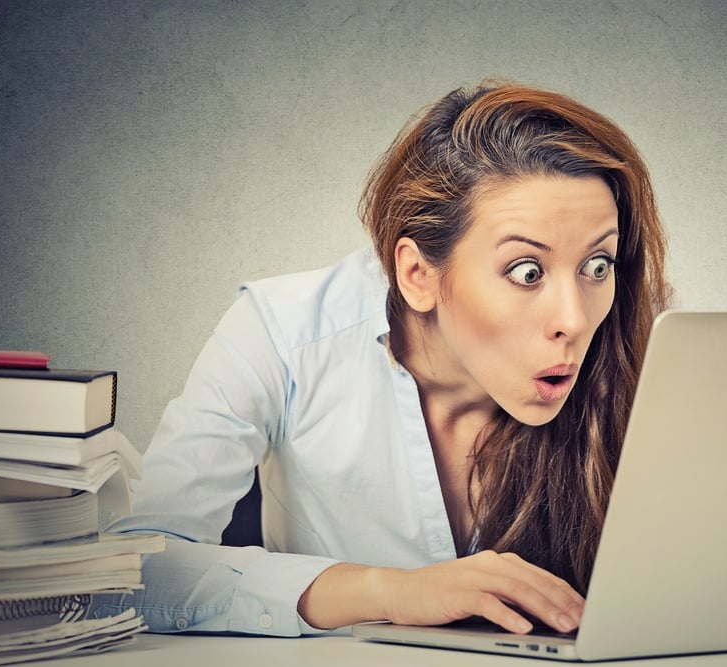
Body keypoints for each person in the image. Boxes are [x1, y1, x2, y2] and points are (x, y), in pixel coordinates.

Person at [104, 79, 671, 637]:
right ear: (418, 274)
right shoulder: (283, 335)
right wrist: (391, 592)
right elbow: (137, 571)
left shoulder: (639, 348)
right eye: (527, 272)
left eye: (597, 266)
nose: (573, 320)